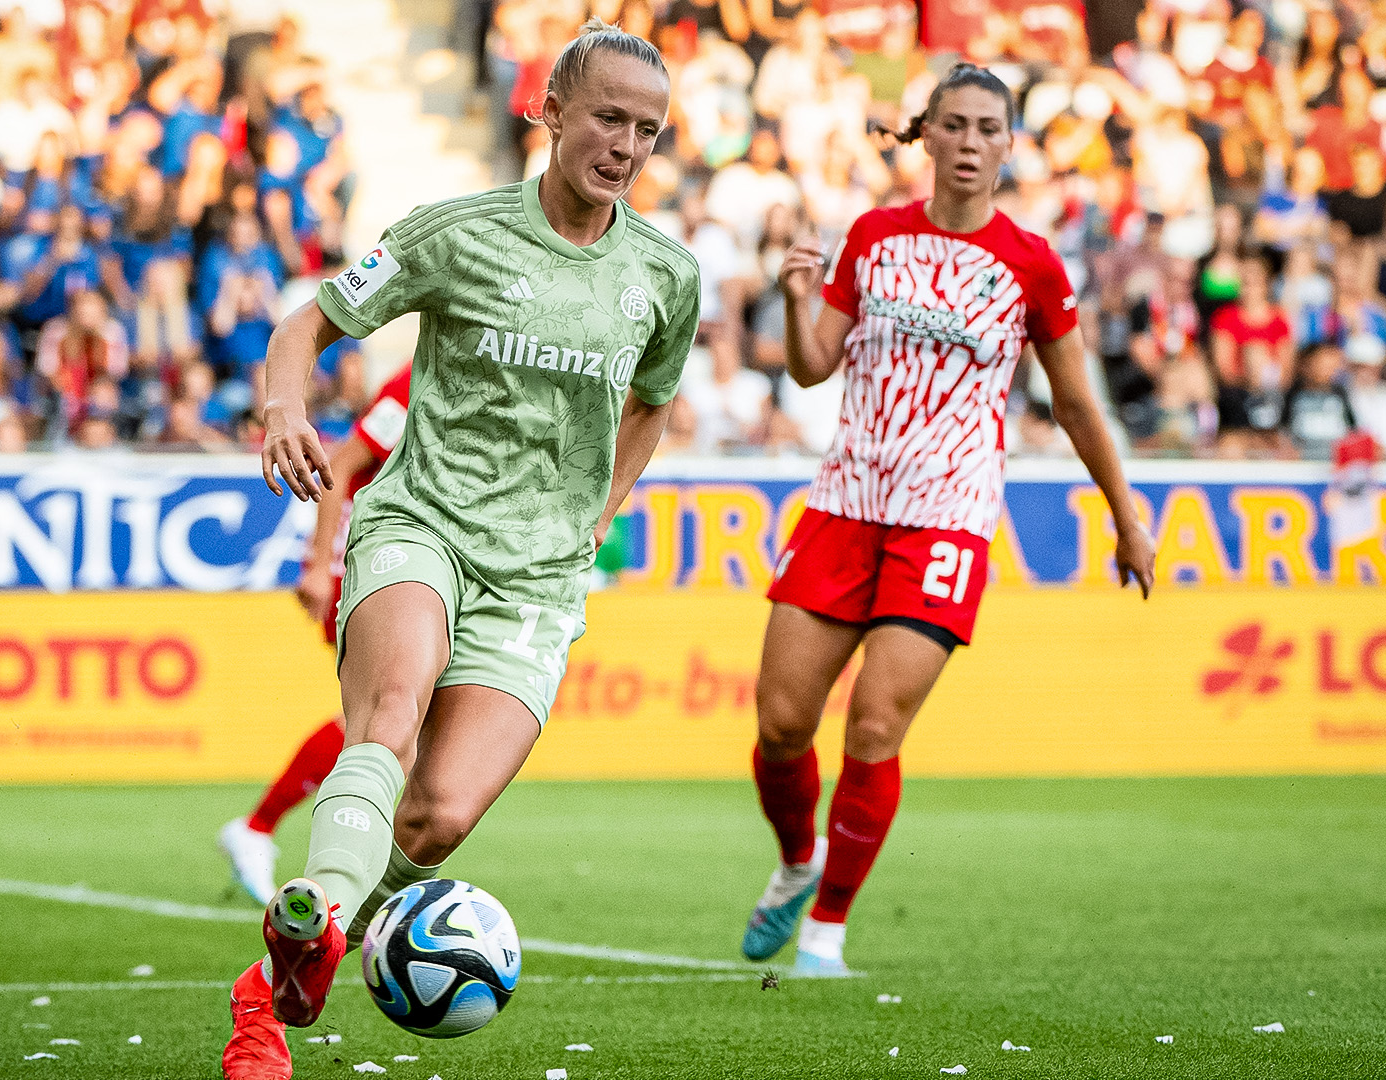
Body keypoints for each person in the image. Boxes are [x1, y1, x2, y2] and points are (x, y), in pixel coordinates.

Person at [222, 21, 697, 1079]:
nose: (624, 144)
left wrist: (596, 518)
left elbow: (653, 407)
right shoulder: (453, 232)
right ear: (552, 111)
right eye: (608, 117)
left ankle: (293, 957)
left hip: (538, 575)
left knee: (436, 818)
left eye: (647, 130)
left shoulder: (665, 275)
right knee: (389, 715)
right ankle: (270, 1008)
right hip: (420, 523)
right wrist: (282, 410)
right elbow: (306, 322)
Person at [741, 65, 1157, 977]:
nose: (970, 143)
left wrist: (1127, 514)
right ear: (925, 135)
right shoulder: (874, 236)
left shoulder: (1033, 264)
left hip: (948, 518)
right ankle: (797, 861)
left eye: (988, 129)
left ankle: (827, 933)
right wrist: (795, 295)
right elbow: (814, 367)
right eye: (955, 126)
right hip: (846, 504)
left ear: (1009, 144)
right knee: (779, 725)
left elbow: (1080, 403)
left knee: (876, 728)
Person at [218, 362, 412, 906]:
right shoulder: (422, 374)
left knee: (397, 728)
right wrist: (315, 565)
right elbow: (343, 465)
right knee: (384, 721)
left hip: (407, 564)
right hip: (371, 562)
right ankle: (266, 833)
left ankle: (268, 833)